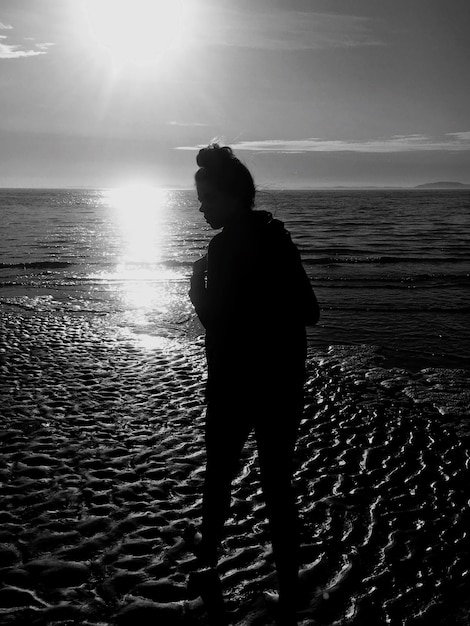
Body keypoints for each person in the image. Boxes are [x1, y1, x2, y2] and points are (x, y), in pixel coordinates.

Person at [188, 143, 320, 625]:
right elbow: (310, 310)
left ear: (228, 196)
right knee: (277, 484)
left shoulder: (224, 248)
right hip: (283, 381)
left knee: (220, 469)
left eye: (205, 197)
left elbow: (220, 322)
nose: (200, 206)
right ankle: (289, 586)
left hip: (237, 382)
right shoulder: (277, 238)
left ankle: (207, 556)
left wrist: (195, 291)